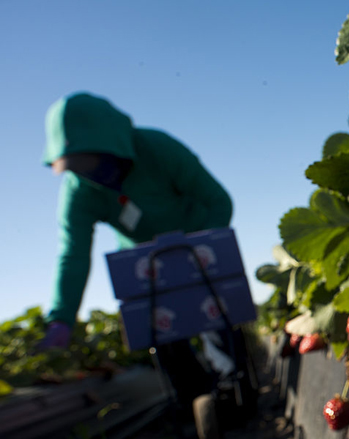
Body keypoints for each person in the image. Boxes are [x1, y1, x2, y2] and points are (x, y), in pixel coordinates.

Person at [38, 92, 235, 412]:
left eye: (91, 161)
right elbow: (73, 253)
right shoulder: (79, 190)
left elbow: (217, 201)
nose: (86, 172)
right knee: (162, 328)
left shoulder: (157, 149)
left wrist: (205, 248)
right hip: (145, 266)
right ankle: (192, 401)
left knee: (213, 315)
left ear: (112, 144)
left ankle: (231, 389)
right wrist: (61, 316)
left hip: (195, 247)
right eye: (76, 166)